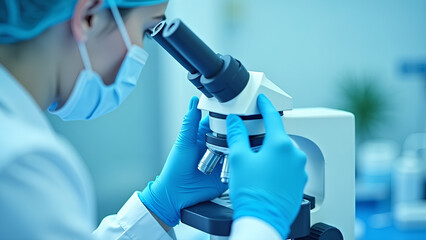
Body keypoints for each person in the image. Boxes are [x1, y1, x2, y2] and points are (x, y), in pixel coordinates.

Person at [0, 0, 308, 239]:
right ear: (89, 16)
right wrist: (260, 224)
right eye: (148, 31)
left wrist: (157, 206)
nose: (143, 47)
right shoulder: (21, 165)